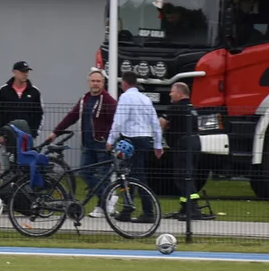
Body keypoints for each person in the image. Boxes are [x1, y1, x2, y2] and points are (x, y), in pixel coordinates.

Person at [44, 69, 117, 217]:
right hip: (87, 144)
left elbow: (115, 122)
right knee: (84, 172)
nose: (95, 84)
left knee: (104, 175)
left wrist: (110, 139)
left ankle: (102, 205)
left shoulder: (109, 101)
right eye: (93, 81)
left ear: (103, 83)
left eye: (98, 81)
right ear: (88, 82)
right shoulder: (85, 99)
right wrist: (55, 132)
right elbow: (72, 116)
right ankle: (107, 198)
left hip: (102, 144)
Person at [105, 71, 162, 223]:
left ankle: (143, 211)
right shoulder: (145, 99)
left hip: (130, 140)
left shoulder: (125, 97)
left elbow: (119, 120)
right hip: (145, 139)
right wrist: (157, 144)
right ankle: (129, 209)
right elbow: (155, 122)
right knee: (135, 175)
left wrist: (111, 139)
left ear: (124, 83)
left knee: (128, 175)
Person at [158, 82, 212, 220]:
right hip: (195, 143)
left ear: (179, 93)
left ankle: (193, 208)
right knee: (186, 175)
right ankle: (185, 207)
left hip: (183, 144)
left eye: (172, 91)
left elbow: (162, 123)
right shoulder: (191, 107)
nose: (170, 94)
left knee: (183, 177)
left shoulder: (176, 107)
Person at [0, 61, 44, 166]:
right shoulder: (3, 91)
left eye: (27, 71)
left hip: (27, 137)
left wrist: (34, 134)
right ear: (14, 72)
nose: (25, 74)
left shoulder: (34, 92)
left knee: (26, 167)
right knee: (7, 167)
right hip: (7, 136)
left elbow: (39, 115)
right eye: (22, 71)